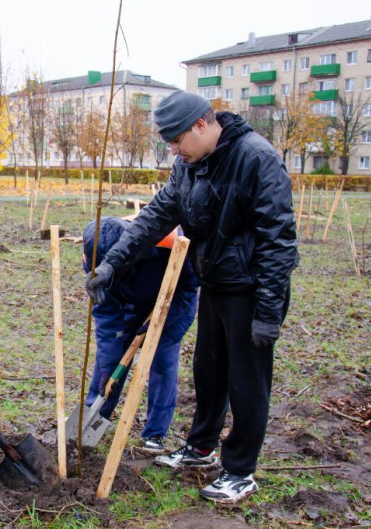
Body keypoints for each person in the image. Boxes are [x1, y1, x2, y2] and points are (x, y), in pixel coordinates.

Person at [86, 90, 298, 504]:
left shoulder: (256, 158)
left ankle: (240, 471)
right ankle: (200, 448)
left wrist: (269, 311)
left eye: (176, 140)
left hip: (252, 290)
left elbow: (279, 239)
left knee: (247, 382)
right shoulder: (190, 167)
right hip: (215, 283)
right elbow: (155, 217)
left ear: (201, 124)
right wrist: (112, 264)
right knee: (209, 372)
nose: (173, 150)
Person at [82, 217, 198, 454]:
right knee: (109, 363)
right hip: (128, 304)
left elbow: (189, 284)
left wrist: (166, 321)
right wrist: (108, 361)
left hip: (170, 303)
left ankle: (155, 433)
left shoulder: (167, 241)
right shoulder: (93, 258)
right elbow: (105, 312)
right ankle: (93, 418)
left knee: (162, 362)